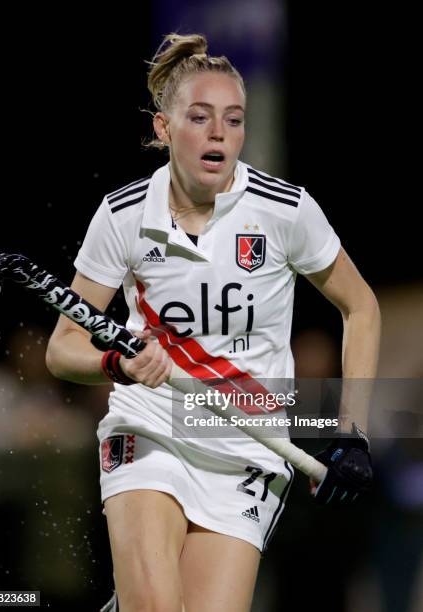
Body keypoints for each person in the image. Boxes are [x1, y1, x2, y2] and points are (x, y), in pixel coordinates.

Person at [46, 33, 381, 612]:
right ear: (163, 129)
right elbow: (63, 349)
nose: (219, 132)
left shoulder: (285, 211)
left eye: (233, 118)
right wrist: (117, 362)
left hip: (250, 446)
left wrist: (352, 431)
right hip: (151, 427)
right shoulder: (123, 215)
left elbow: (362, 308)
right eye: (199, 117)